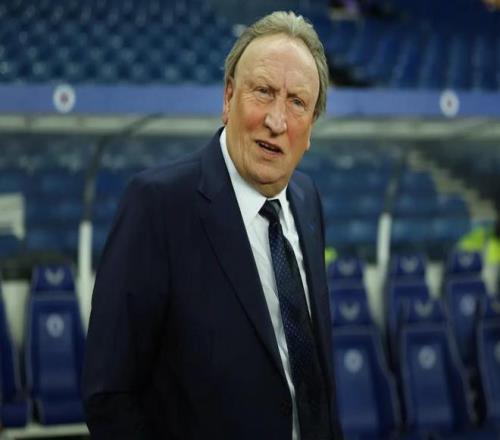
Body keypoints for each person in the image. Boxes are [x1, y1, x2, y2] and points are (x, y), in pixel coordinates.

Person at [83, 10, 343, 440]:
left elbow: (314, 375)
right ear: (228, 98)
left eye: (297, 102)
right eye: (263, 92)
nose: (276, 121)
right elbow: (109, 394)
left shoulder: (307, 198)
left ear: (311, 126)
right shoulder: (157, 205)